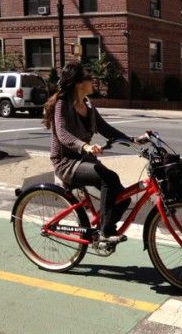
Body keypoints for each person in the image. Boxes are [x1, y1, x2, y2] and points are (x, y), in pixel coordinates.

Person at [43, 62, 146, 243]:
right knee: (109, 177)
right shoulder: (62, 104)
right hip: (66, 162)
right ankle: (105, 233)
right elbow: (62, 133)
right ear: (78, 83)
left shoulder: (88, 105)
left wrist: (132, 140)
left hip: (84, 160)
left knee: (123, 199)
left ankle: (105, 228)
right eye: (89, 78)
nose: (94, 81)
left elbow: (106, 128)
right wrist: (85, 146)